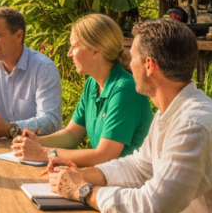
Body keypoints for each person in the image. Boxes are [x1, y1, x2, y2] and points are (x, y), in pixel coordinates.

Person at [45, 18, 212, 213]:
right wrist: (86, 174)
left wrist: (85, 191)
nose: (128, 64)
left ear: (149, 66)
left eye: (131, 57)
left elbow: (153, 208)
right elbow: (141, 166)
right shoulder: (171, 112)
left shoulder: (193, 125)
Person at [11, 14, 152, 165]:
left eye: (75, 46)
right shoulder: (92, 83)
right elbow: (73, 134)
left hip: (132, 183)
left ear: (95, 51)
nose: (69, 53)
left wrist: (45, 153)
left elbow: (104, 156)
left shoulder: (124, 91)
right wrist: (38, 141)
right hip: (109, 176)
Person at [0, 7, 61, 139]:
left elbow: (51, 121)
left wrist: (10, 129)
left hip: (37, 150)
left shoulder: (43, 67)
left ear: (18, 36)